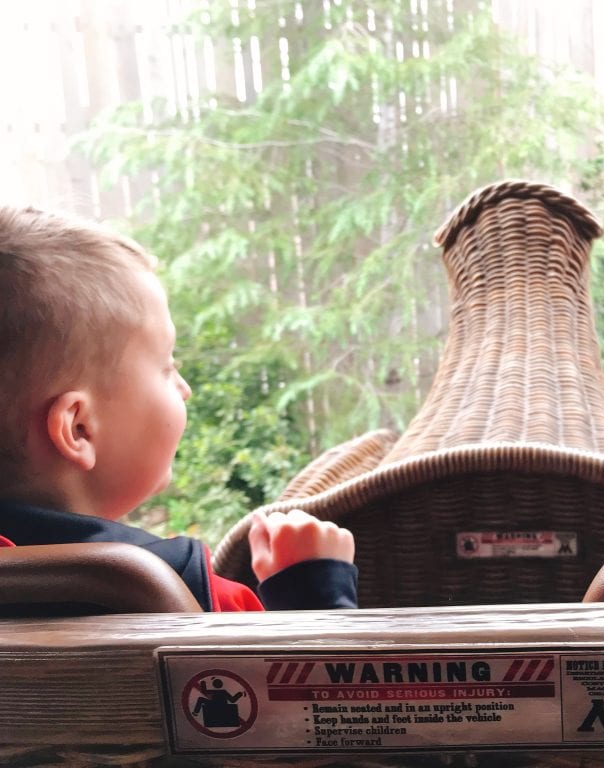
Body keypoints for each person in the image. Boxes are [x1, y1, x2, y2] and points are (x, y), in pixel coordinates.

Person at [0, 204, 357, 611]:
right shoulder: (187, 596)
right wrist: (315, 591)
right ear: (79, 427)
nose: (184, 388)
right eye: (168, 366)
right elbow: (308, 673)